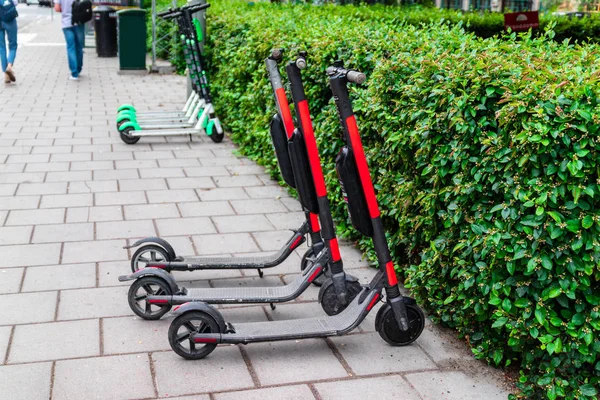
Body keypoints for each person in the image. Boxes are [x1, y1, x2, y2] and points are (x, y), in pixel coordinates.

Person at [54, 0, 84, 80]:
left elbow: (57, 8)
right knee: (79, 47)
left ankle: (74, 73)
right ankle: (78, 69)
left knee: (71, 47)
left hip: (67, 23)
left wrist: (65, 10)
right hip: (79, 22)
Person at [0, 0, 18, 84]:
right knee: (13, 46)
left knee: (2, 47)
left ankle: (6, 76)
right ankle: (9, 66)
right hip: (10, 19)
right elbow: (15, 3)